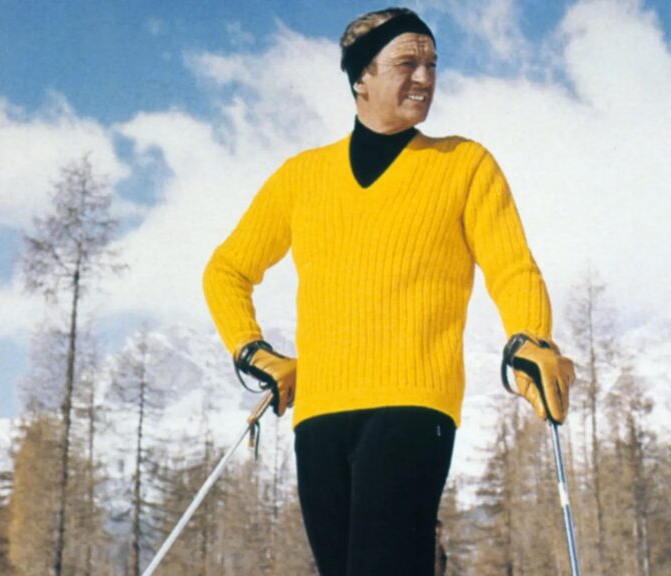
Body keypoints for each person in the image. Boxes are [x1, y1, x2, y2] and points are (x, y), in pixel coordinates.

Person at [203, 7, 575, 575]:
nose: (425, 77)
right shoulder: (302, 177)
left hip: (413, 404)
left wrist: (530, 337)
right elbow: (227, 269)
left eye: (432, 64)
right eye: (407, 63)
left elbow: (512, 268)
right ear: (362, 77)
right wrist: (252, 350)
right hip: (321, 415)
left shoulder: (464, 164)